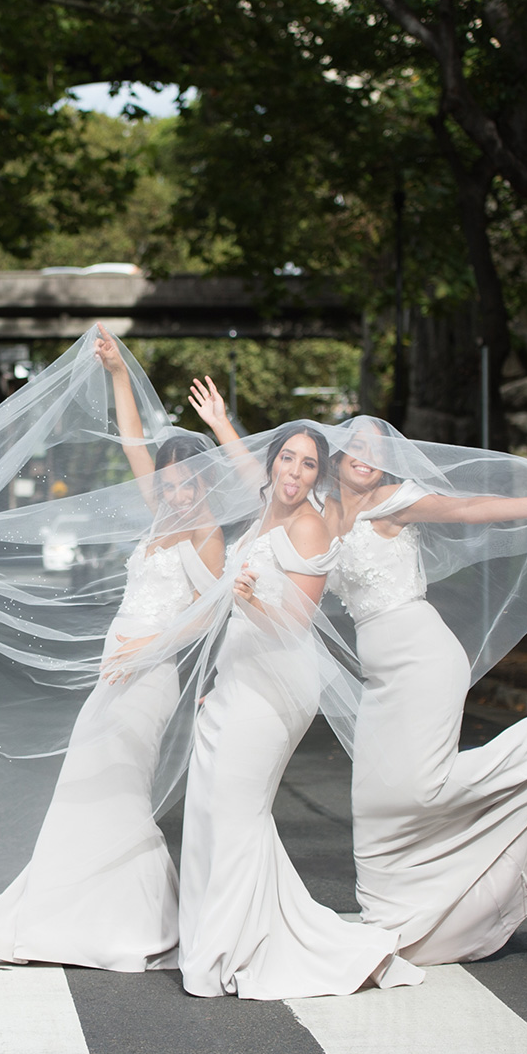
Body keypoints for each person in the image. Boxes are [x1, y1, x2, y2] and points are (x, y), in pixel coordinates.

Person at [0, 330, 224, 972]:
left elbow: (212, 611)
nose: (176, 490)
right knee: (86, 785)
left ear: (205, 484)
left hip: (151, 673)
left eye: (188, 481)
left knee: (120, 788)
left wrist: (150, 646)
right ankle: (81, 912)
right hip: (114, 673)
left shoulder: (207, 531)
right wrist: (116, 376)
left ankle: (140, 918)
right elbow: (135, 442)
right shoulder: (159, 515)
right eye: (169, 480)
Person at [317, 417, 527, 965]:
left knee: (423, 787)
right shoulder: (323, 514)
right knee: (375, 793)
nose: (366, 456)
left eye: (377, 450)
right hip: (381, 675)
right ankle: (390, 917)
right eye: (357, 446)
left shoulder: (392, 499)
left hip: (426, 657)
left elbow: (466, 507)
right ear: (336, 454)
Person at [175, 384, 421, 999]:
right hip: (237, 679)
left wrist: (254, 597)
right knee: (210, 807)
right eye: (288, 458)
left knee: (236, 807)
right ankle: (224, 934)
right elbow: (246, 467)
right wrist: (223, 422)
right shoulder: (268, 506)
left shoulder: (310, 526)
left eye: (309, 463)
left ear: (320, 474)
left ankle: (236, 947)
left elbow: (295, 624)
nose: (295, 471)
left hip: (277, 684)